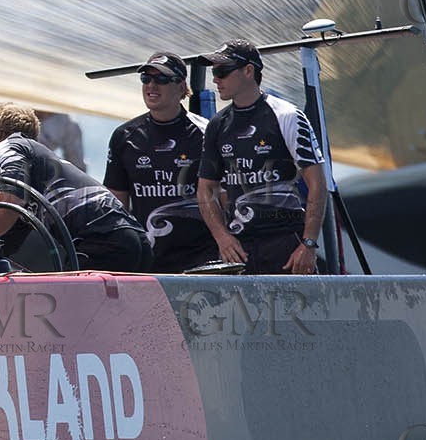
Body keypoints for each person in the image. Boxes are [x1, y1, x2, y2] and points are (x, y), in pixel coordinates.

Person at [195, 40, 325, 275]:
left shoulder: (286, 115)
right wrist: (222, 238)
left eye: (222, 71)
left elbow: (317, 183)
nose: (215, 79)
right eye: (214, 72)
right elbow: (205, 189)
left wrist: (309, 243)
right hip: (240, 247)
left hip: (285, 243)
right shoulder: (216, 125)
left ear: (248, 71)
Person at [0, 102, 150, 271]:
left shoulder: (9, 144)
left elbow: (10, 198)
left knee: (67, 288)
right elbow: (4, 241)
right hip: (137, 239)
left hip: (102, 239)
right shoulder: (40, 174)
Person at [103, 51, 217, 273]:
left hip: (201, 259)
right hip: (149, 260)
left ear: (181, 87)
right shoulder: (124, 136)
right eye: (146, 78)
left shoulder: (206, 133)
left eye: (161, 79)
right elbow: (117, 204)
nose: (151, 85)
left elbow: (224, 197)